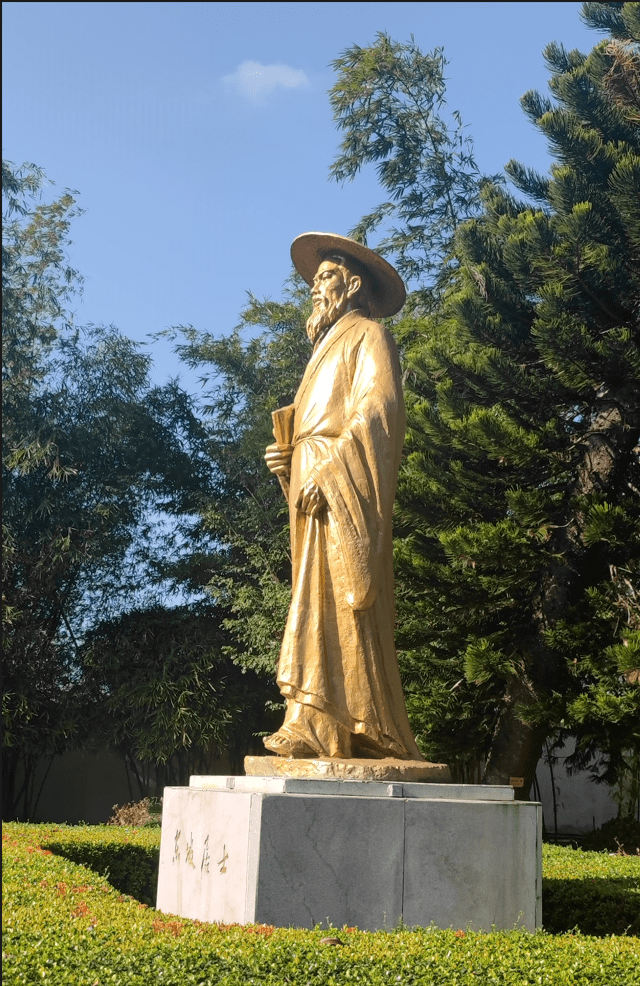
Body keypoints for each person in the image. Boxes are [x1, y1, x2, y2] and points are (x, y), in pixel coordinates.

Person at [263, 232, 422, 761]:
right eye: (314, 279)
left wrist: (330, 467)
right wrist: (289, 461)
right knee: (311, 594)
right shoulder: (322, 350)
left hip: (341, 482)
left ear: (353, 285)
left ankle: (340, 724)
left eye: (326, 276)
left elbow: (379, 411)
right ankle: (311, 720)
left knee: (340, 596)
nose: (315, 287)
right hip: (312, 479)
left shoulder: (370, 336)